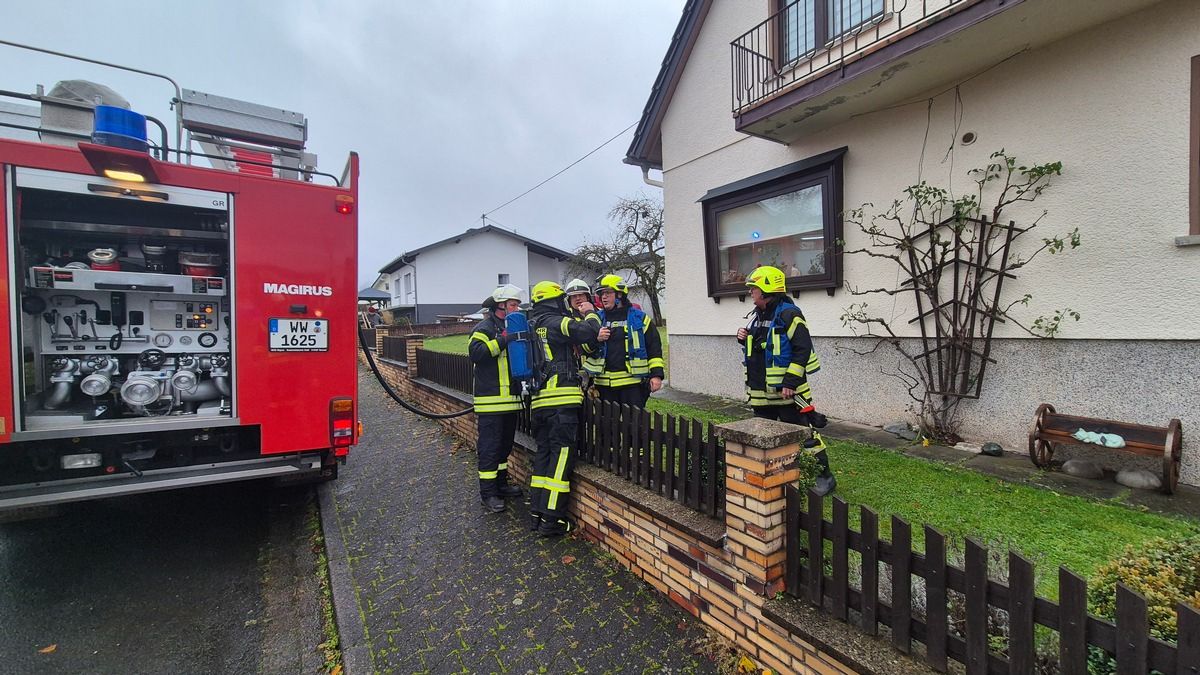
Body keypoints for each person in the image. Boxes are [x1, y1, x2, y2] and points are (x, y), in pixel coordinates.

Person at [736, 265, 836, 496]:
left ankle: (825, 478)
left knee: (806, 436)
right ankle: (775, 475)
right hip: (762, 393)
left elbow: (802, 350)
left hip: (788, 394)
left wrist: (790, 382)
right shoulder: (758, 315)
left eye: (754, 288)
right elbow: (765, 347)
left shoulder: (790, 314)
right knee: (764, 436)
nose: (751, 292)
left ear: (767, 289)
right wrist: (743, 338)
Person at [526, 280, 602, 536]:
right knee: (561, 461)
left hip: (539, 403)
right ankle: (552, 521)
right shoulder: (555, 322)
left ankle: (537, 514)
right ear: (555, 300)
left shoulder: (531, 325)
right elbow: (589, 332)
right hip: (562, 402)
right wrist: (589, 311)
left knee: (544, 458)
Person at [469, 284, 526, 513]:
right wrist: (505, 340)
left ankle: (501, 486)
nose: (516, 308)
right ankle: (488, 494)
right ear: (500, 306)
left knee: (504, 448)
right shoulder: (484, 328)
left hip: (511, 401)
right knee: (490, 449)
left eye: (517, 304)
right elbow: (477, 354)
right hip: (491, 402)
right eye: (513, 304)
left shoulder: (512, 325)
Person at [582, 274, 664, 408]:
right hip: (604, 386)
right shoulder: (596, 318)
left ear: (620, 294)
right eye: (602, 293)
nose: (603, 297)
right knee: (607, 427)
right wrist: (595, 339)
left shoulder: (640, 318)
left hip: (632, 386)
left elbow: (654, 347)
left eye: (608, 292)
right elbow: (585, 348)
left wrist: (656, 375)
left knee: (635, 425)